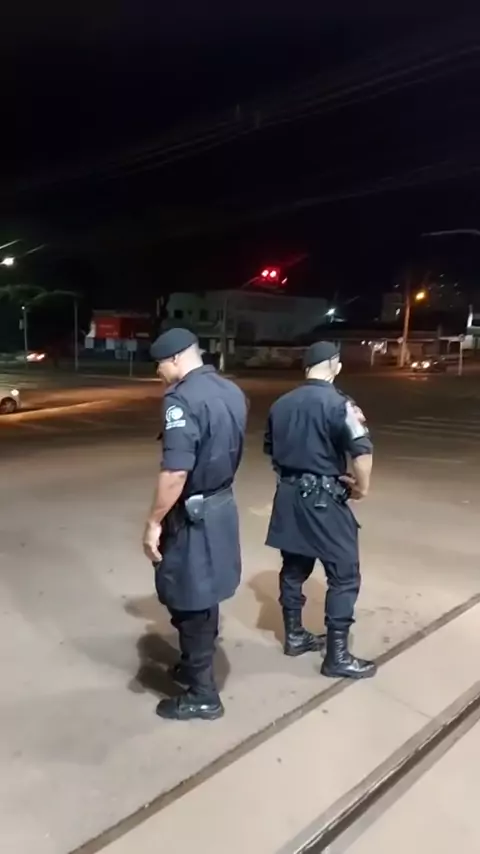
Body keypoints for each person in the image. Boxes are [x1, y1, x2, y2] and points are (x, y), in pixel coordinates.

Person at [142, 328, 247, 720]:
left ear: (175, 359)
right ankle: (193, 666)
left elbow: (175, 471)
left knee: (188, 600)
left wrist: (153, 522)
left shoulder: (181, 399)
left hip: (193, 515)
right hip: (221, 505)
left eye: (160, 364)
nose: (159, 372)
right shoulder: (231, 391)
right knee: (205, 594)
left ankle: (204, 696)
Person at [264, 341, 376, 679]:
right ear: (334, 365)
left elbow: (271, 449)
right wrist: (361, 488)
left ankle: (295, 636)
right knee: (344, 574)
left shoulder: (281, 404)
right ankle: (337, 657)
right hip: (323, 499)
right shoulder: (340, 404)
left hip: (288, 495)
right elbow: (361, 452)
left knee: (294, 567)